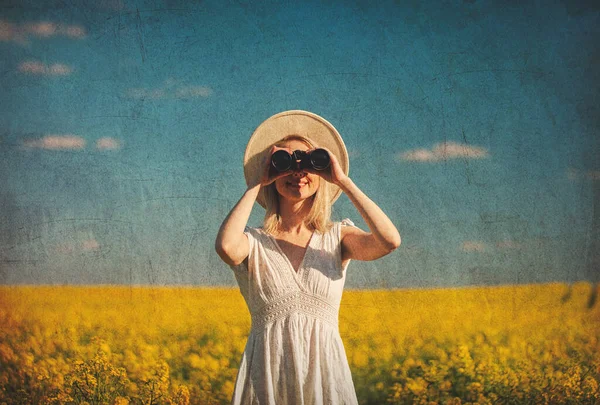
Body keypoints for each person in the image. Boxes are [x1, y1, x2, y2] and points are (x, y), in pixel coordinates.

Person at [215, 110, 401, 405]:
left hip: (325, 378)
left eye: (307, 162)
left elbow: (389, 240)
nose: (297, 173)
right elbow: (225, 246)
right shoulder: (254, 243)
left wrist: (342, 180)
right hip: (268, 377)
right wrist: (256, 182)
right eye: (285, 162)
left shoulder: (337, 237)